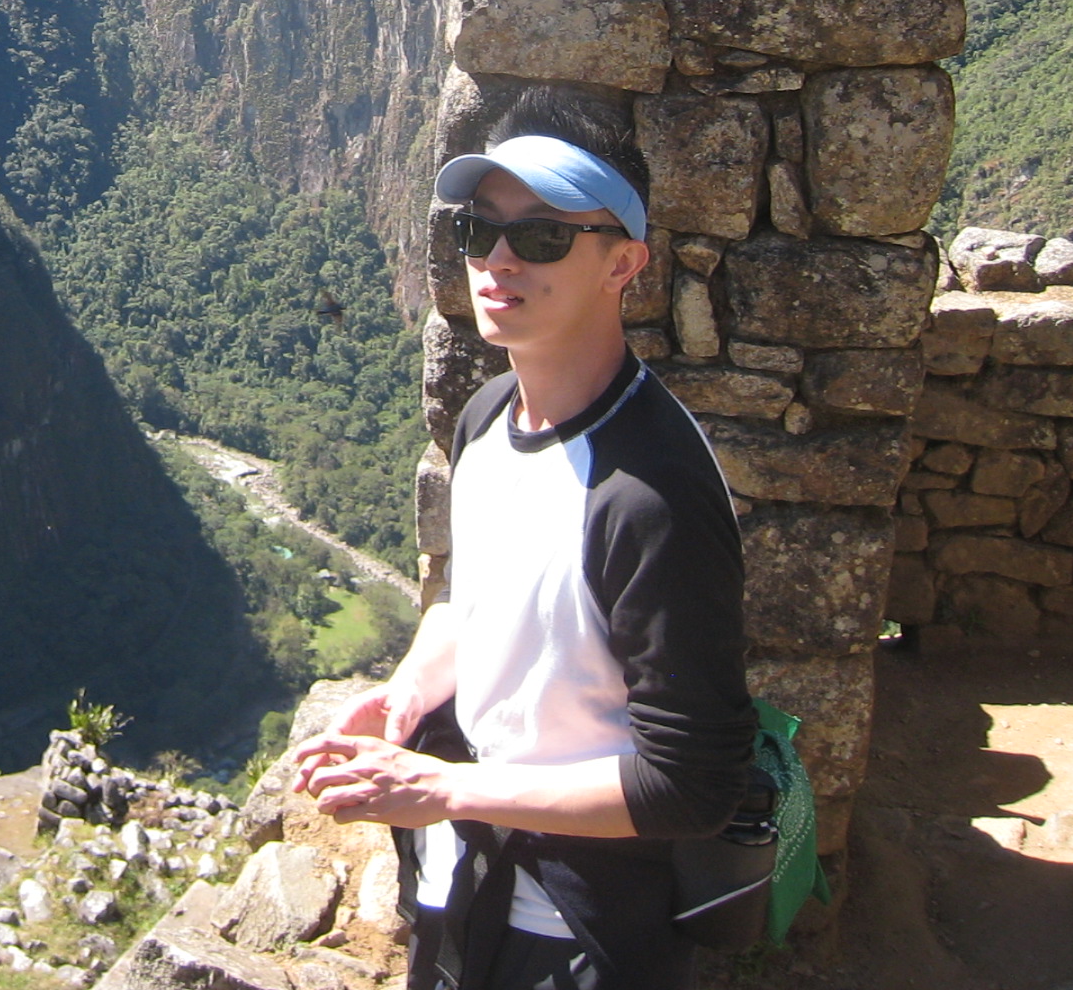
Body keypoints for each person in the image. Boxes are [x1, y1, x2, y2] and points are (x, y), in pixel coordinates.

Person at [287, 113, 756, 990]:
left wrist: (443, 790)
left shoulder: (649, 498)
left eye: (542, 236)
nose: (499, 260)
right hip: (464, 885)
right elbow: (473, 601)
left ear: (623, 264)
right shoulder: (489, 417)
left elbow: (692, 786)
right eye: (480, 230)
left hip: (578, 925)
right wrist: (405, 697)